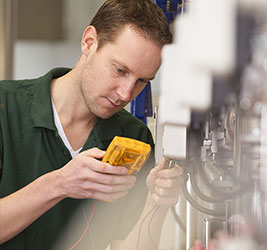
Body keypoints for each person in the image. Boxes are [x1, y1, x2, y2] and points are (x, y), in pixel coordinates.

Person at [0, 0, 183, 249]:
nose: (127, 94)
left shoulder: (135, 138)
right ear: (89, 42)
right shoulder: (5, 108)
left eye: (142, 81)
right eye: (120, 70)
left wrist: (157, 202)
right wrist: (59, 184)